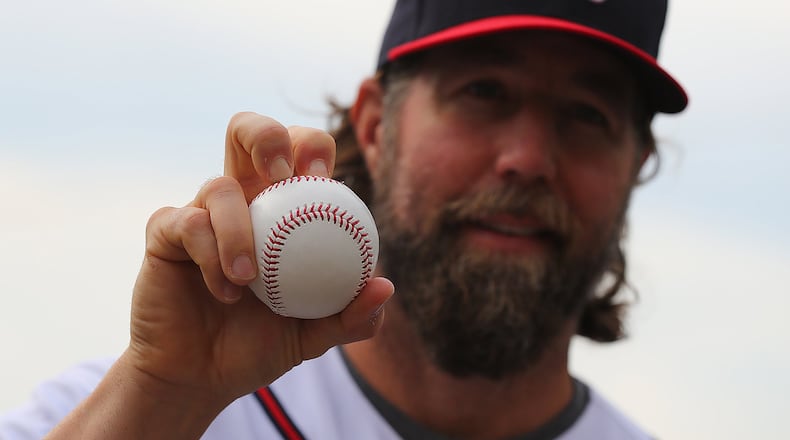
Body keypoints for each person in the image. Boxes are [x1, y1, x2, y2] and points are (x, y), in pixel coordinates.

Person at [0, 0, 688, 439]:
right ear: (376, 124)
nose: (528, 159)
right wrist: (165, 397)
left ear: (636, 164)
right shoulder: (135, 411)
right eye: (484, 91)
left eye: (588, 115)